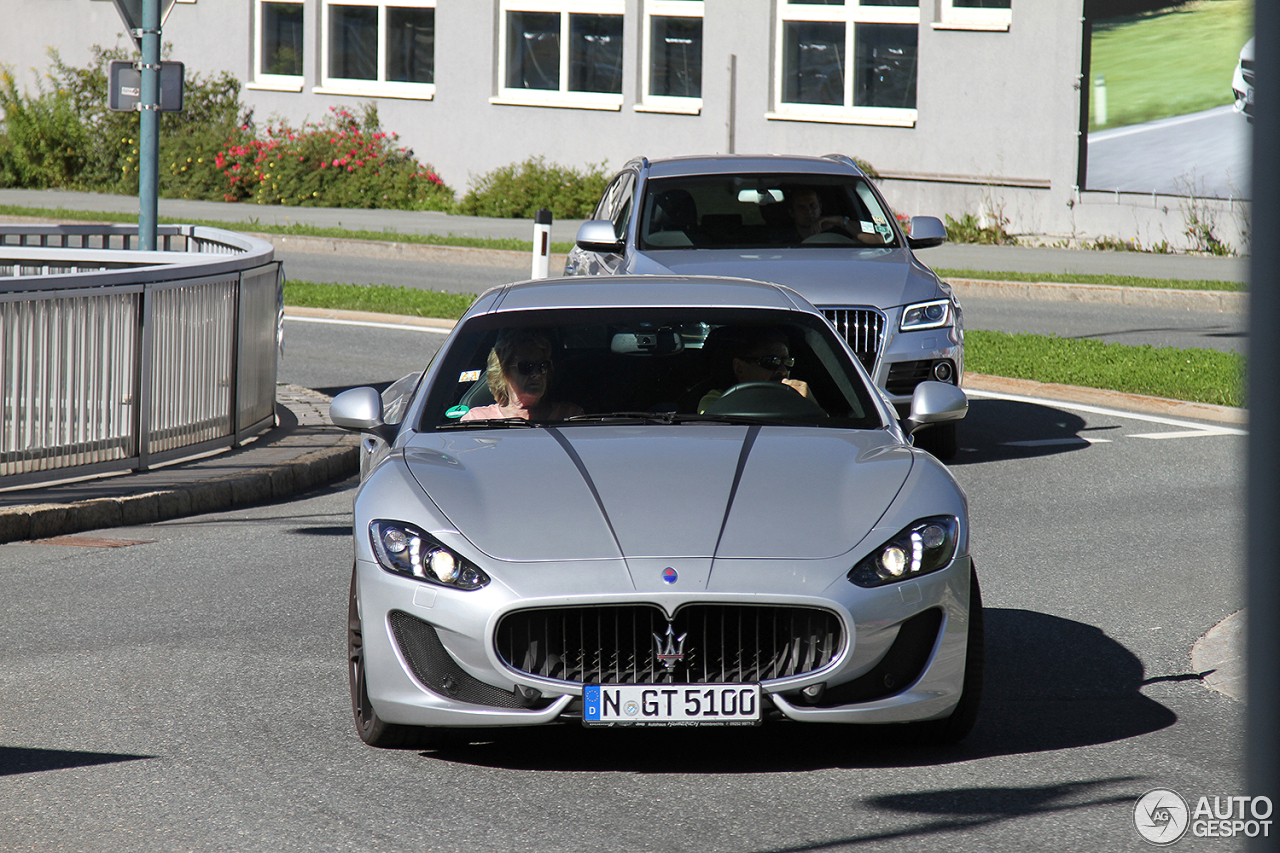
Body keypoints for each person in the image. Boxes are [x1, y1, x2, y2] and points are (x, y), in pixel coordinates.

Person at [461, 328, 583, 422]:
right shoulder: (477, 419)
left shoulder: (569, 416)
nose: (536, 374)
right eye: (526, 367)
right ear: (502, 373)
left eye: (542, 366)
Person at [697, 326, 814, 414]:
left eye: (788, 362)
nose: (782, 371)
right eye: (770, 361)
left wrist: (810, 405)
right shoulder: (716, 402)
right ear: (739, 369)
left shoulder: (797, 400)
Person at [786, 187, 881, 245]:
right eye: (801, 208)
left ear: (820, 207)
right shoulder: (783, 239)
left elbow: (879, 241)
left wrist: (840, 221)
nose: (809, 211)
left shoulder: (839, 233)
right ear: (791, 212)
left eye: (813, 206)